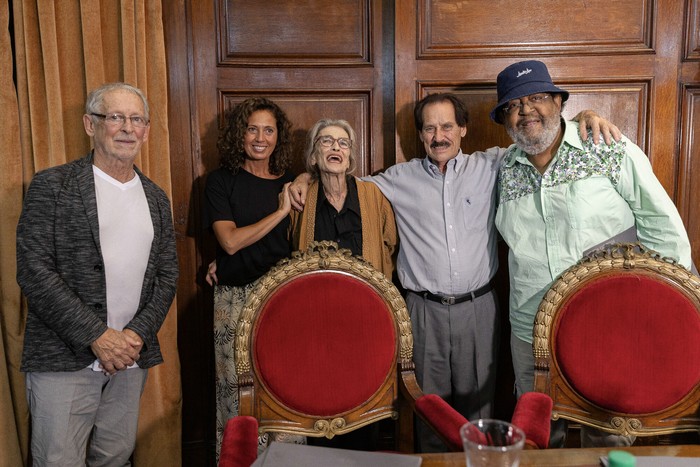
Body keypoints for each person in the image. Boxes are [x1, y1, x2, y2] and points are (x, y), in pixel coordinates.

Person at [290, 94, 618, 452]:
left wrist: (583, 116)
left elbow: (541, 138)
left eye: (447, 126)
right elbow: (342, 179)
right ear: (420, 135)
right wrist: (305, 178)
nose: (439, 136)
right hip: (421, 312)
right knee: (430, 413)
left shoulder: (495, 164)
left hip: (479, 310)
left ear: (463, 129)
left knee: (479, 413)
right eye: (429, 128)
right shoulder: (397, 179)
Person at [491, 60, 694, 447]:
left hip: (608, 324)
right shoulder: (503, 168)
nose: (526, 110)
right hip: (530, 329)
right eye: (514, 105)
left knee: (609, 433)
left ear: (558, 101)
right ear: (504, 119)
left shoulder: (607, 147)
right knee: (538, 434)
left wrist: (664, 309)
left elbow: (663, 228)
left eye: (536, 98)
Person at [16, 82, 179, 466]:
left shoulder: (156, 197)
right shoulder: (52, 185)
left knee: (115, 456)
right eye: (115, 117)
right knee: (58, 460)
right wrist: (98, 337)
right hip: (63, 355)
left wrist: (134, 337)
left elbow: (167, 276)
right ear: (91, 125)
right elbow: (34, 270)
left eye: (136, 119)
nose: (127, 128)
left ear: (147, 130)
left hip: (130, 359)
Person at [202, 97, 301, 459]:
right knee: (237, 392)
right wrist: (280, 212)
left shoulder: (293, 182)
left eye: (268, 130)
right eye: (252, 128)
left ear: (279, 137)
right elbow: (229, 242)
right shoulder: (220, 181)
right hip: (234, 300)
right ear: (239, 134)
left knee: (286, 391)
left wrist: (301, 181)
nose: (260, 137)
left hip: (284, 299)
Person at [291, 118, 397, 277]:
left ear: (349, 160)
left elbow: (390, 246)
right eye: (326, 141)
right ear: (313, 157)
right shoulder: (300, 199)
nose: (336, 147)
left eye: (343, 143)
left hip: (366, 297)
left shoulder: (374, 195)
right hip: (316, 296)